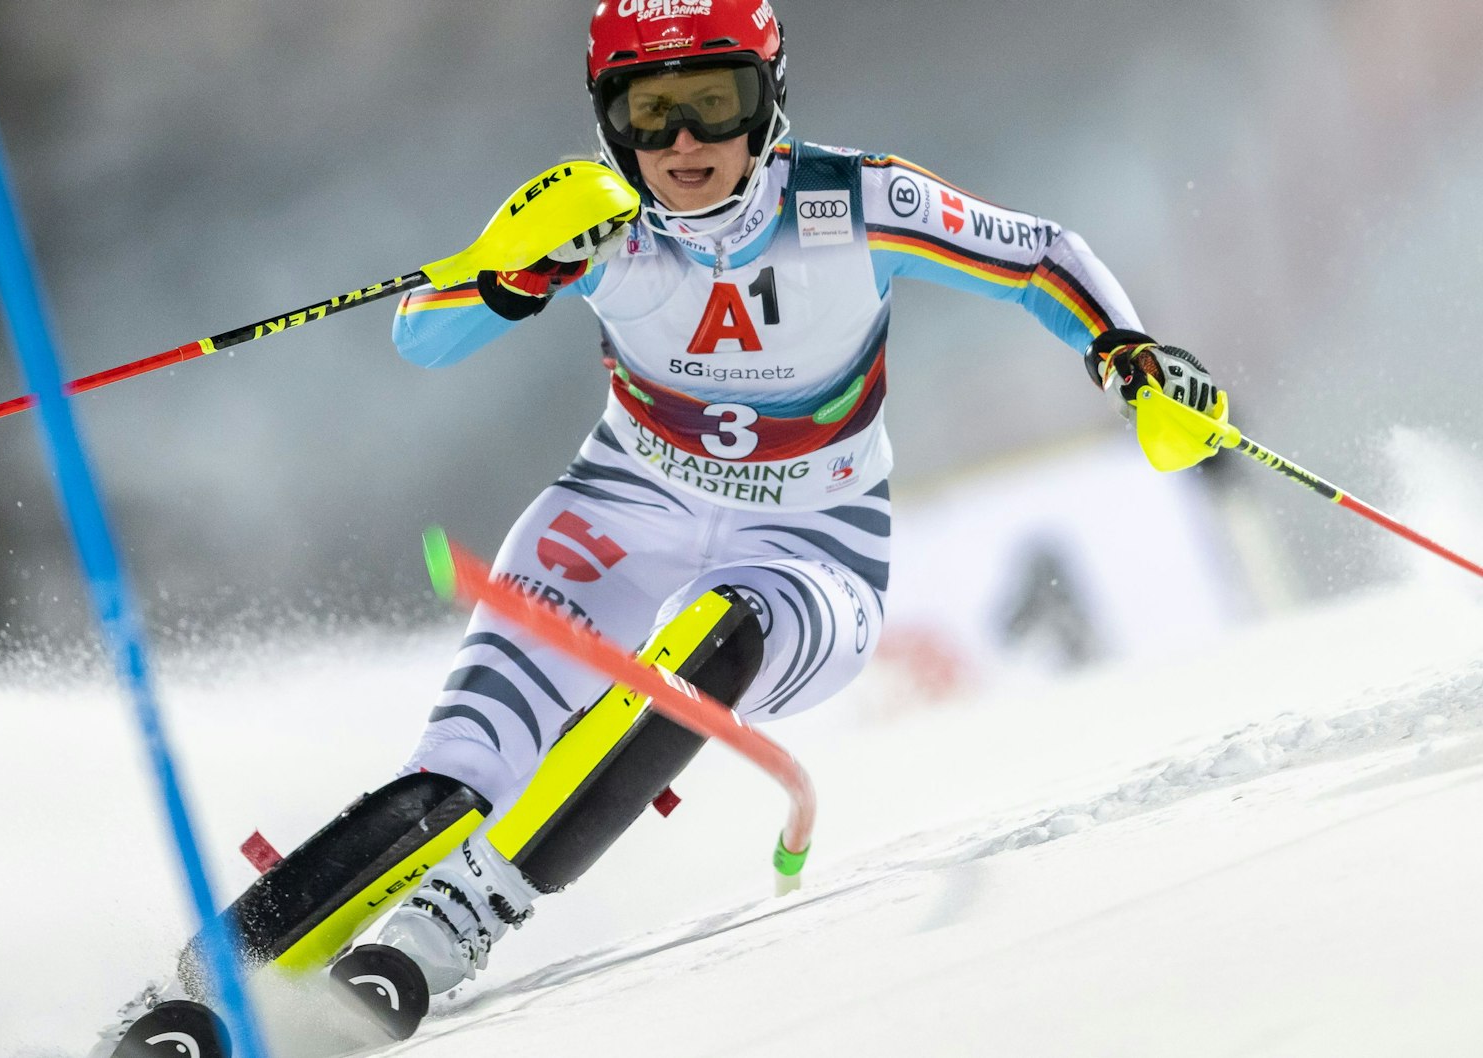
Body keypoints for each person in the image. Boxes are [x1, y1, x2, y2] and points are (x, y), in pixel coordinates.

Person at [99, 0, 1227, 1050]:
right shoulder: (599, 219)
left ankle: (456, 921)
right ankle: (201, 989)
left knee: (716, 630)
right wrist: (508, 275)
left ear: (769, 99)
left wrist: (1128, 357)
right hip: (618, 514)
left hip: (810, 543)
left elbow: (1033, 254)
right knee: (461, 769)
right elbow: (419, 336)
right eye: (648, 111)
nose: (684, 143)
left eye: (715, 103)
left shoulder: (851, 201)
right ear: (608, 120)